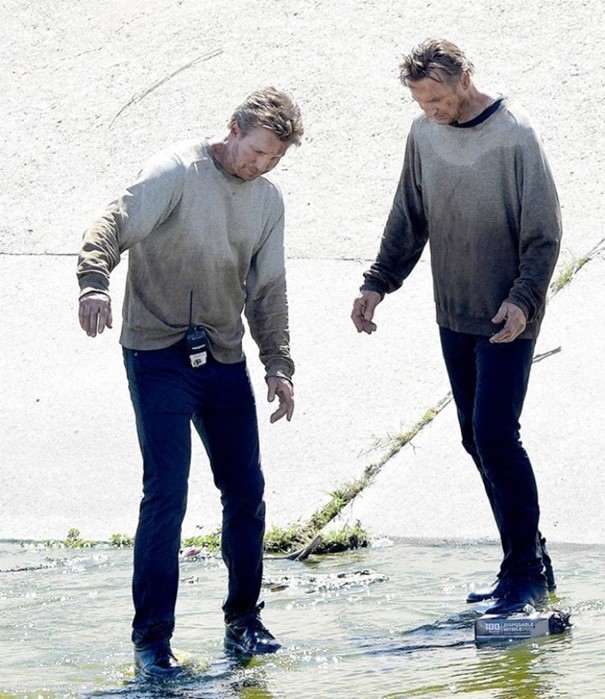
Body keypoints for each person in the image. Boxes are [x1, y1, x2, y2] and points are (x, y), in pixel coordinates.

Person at [77, 86, 303, 679]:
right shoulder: (176, 171)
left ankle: (244, 620)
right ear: (232, 129)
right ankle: (152, 642)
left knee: (246, 491)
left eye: (274, 158)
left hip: (222, 358)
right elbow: (113, 221)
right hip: (157, 356)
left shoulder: (268, 202)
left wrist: (278, 363)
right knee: (167, 493)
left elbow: (268, 289)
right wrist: (94, 281)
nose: (260, 165)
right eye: (256, 151)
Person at [351, 39, 561, 615]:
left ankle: (524, 572)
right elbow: (409, 215)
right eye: (420, 101)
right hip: (454, 310)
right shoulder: (424, 134)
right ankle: (528, 560)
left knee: (495, 435)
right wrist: (377, 282)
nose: (430, 110)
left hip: (508, 315)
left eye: (437, 99)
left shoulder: (515, 136)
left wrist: (523, 301)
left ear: (465, 79)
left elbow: (544, 233)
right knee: (474, 436)